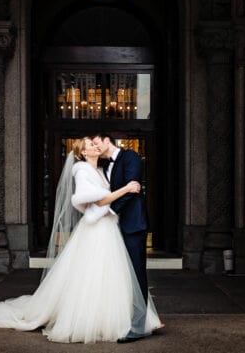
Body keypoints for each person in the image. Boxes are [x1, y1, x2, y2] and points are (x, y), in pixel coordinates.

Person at [0, 138, 161, 343]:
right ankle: (89, 320)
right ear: (83, 154)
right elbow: (91, 199)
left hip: (109, 228)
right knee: (90, 276)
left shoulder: (101, 168)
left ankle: (121, 318)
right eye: (90, 145)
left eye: (96, 143)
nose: (95, 146)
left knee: (111, 275)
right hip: (97, 228)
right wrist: (126, 189)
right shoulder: (81, 169)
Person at [92, 133, 150, 341]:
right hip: (111, 230)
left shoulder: (131, 157)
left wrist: (111, 211)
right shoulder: (101, 165)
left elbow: (131, 188)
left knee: (137, 274)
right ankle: (121, 319)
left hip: (132, 225)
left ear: (108, 140)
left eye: (97, 143)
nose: (96, 148)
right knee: (117, 276)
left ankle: (139, 326)